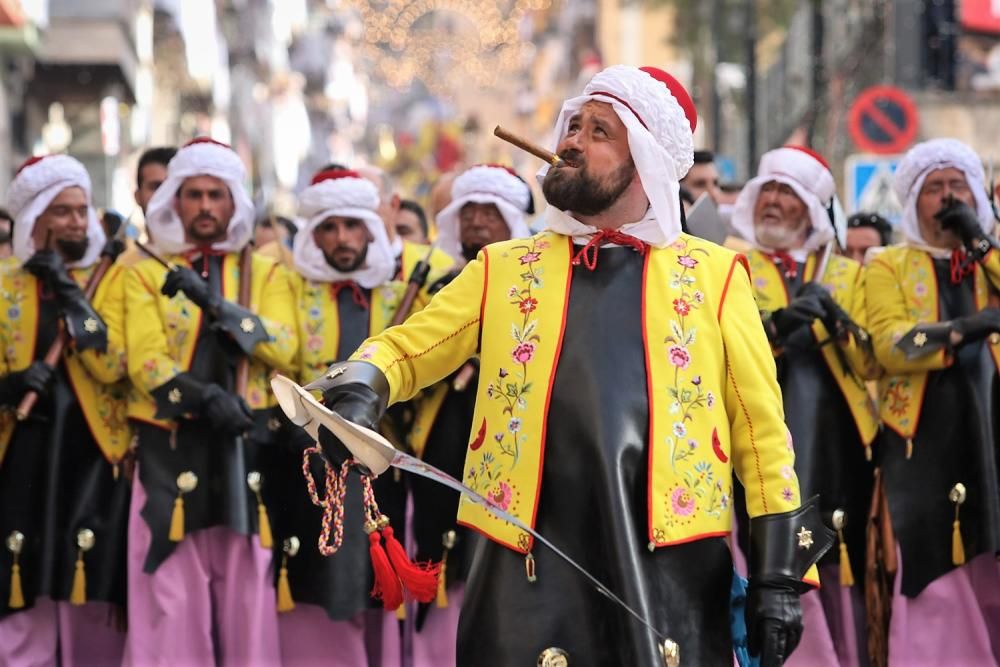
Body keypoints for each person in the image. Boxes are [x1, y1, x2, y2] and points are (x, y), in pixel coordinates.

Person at [306, 65, 830, 666]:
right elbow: (406, 349)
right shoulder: (503, 267)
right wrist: (362, 388)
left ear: (647, 161)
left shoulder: (715, 277)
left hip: (667, 565)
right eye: (572, 125)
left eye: (599, 131)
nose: (572, 141)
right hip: (520, 561)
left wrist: (779, 577)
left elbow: (762, 439)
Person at [121, 138, 298, 666]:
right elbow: (146, 362)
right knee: (170, 595)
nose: (203, 206)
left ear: (233, 202)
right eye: (192, 194)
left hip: (244, 443)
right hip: (170, 445)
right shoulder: (143, 272)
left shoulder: (267, 273)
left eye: (215, 195)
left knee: (246, 592)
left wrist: (216, 304)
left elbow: (285, 345)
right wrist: (204, 397)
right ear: (174, 200)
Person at [730, 146, 880, 667]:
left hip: (835, 438)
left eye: (786, 193)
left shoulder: (849, 274)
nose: (771, 201)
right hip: (758, 433)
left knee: (835, 554)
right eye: (766, 189)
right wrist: (780, 323)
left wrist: (844, 327)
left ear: (812, 208)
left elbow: (872, 363)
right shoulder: (730, 264)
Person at [263, 168, 411, 666]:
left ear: (372, 227)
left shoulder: (400, 293)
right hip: (308, 462)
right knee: (316, 585)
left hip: (386, 463)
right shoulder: (288, 287)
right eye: (329, 226)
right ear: (313, 232)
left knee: (378, 585)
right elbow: (279, 359)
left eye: (353, 225)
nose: (342, 238)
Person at [866, 138, 1000, 666]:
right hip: (923, 437)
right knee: (938, 568)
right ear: (914, 201)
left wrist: (979, 240)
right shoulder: (888, 265)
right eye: (934, 188)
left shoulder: (989, 257)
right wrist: (963, 329)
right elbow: (889, 344)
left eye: (957, 187)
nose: (947, 198)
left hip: (992, 425)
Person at [0, 155, 130, 666]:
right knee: (20, 578)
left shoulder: (112, 280)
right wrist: (9, 387)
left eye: (83, 209)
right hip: (21, 453)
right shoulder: (5, 282)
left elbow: (116, 364)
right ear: (35, 219)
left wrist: (70, 292)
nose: (78, 221)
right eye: (63, 211)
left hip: (92, 452)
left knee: (88, 584)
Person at [404, 163, 534, 666]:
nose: (478, 222)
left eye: (491, 212)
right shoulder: (430, 283)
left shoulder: (534, 284)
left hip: (512, 439)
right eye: (469, 211)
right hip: (443, 433)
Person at [357, 164, 453, 282]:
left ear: (393, 204)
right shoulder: (333, 272)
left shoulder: (440, 265)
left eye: (366, 201)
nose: (357, 213)